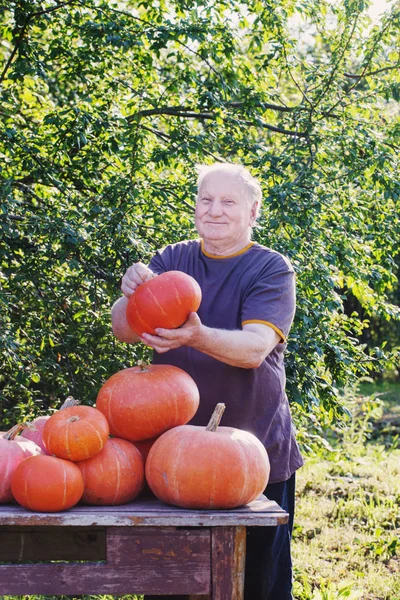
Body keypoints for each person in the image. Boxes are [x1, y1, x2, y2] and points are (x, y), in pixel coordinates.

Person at [111, 162, 304, 600]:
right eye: (206, 199)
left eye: (228, 201)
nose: (214, 210)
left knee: (255, 584)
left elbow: (255, 348)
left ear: (253, 212)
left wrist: (196, 336)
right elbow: (123, 328)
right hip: (173, 454)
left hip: (252, 455)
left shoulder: (271, 269)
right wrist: (128, 295)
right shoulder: (172, 260)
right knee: (173, 582)